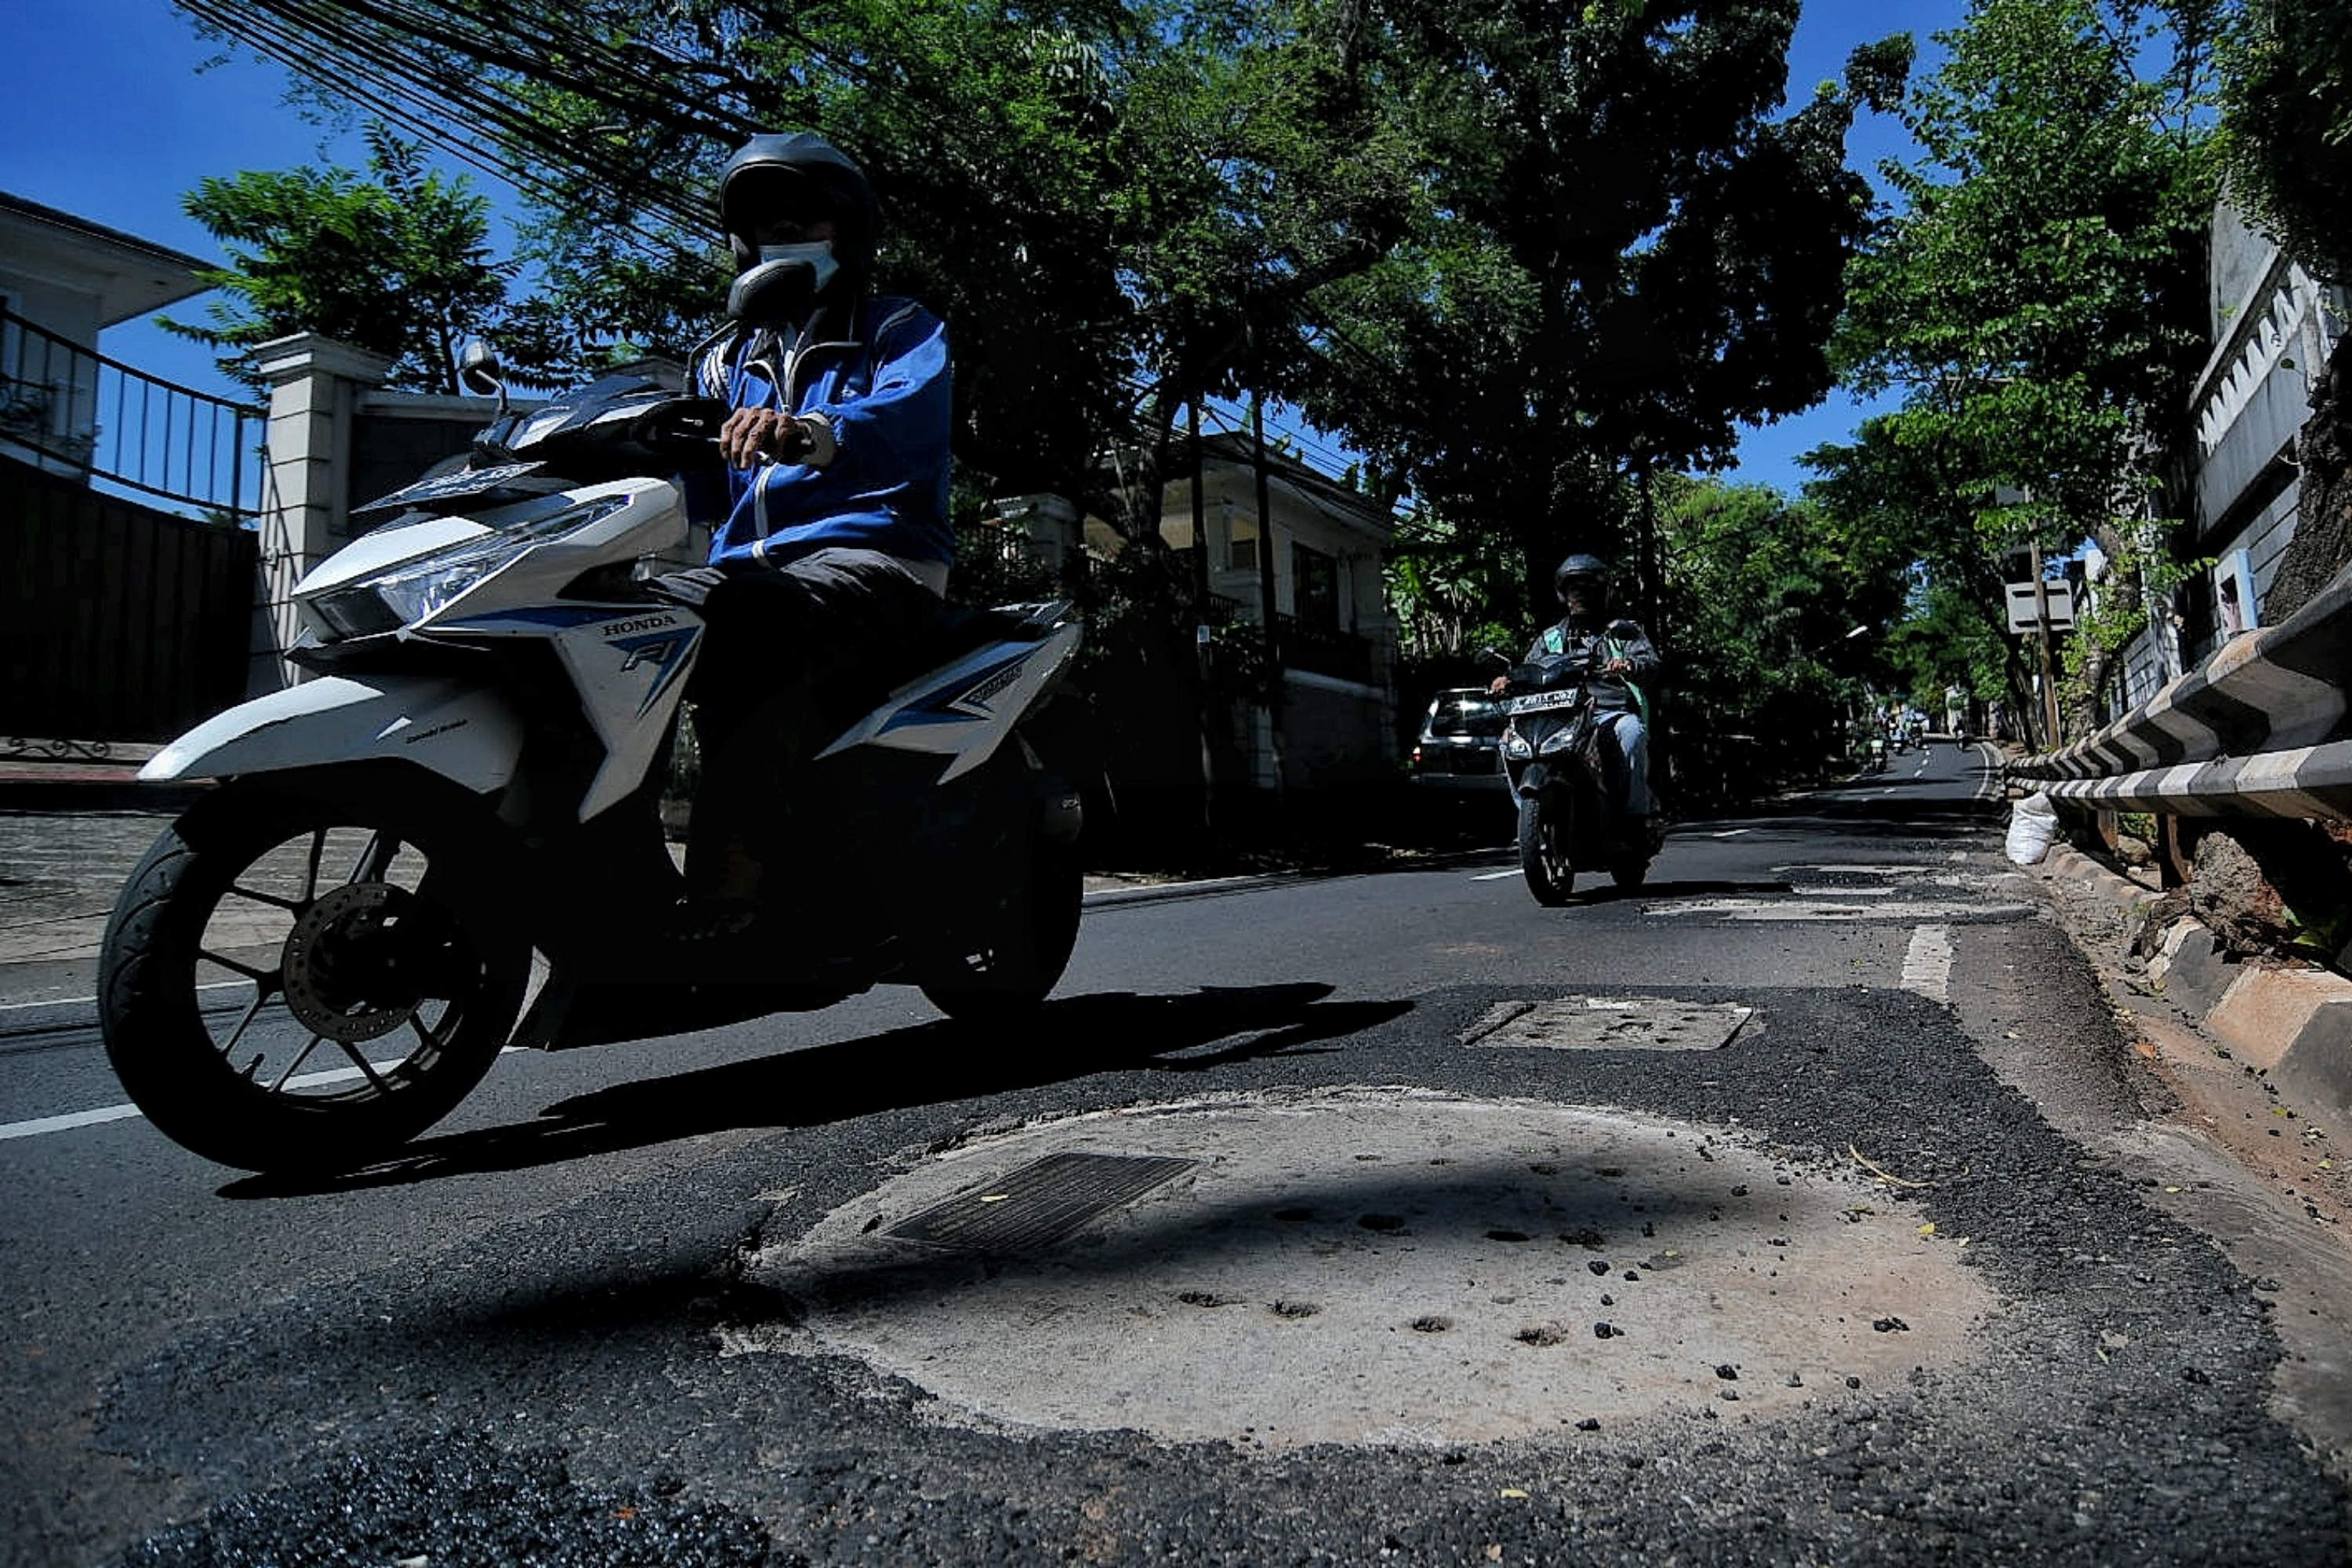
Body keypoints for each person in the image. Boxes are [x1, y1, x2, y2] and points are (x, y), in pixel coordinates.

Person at [650, 131, 954, 937]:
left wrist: (809, 430)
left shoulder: (896, 327)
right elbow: (700, 491)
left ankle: (731, 887)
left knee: (754, 617)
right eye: (766, 219)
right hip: (748, 572)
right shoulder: (720, 361)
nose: (784, 230)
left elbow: (907, 421)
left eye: (806, 215)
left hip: (878, 562)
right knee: (613, 622)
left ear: (848, 230)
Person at [1490, 554, 1661, 829]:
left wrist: (1628, 665)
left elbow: (1650, 664)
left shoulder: (1622, 631)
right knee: (1507, 742)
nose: (1579, 594)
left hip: (1608, 711)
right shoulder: (1550, 638)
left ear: (1602, 591)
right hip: (1559, 716)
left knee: (1631, 733)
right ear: (1563, 594)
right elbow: (1529, 668)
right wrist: (1507, 679)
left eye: (1587, 587)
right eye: (1573, 588)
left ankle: (1634, 818)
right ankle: (1529, 817)